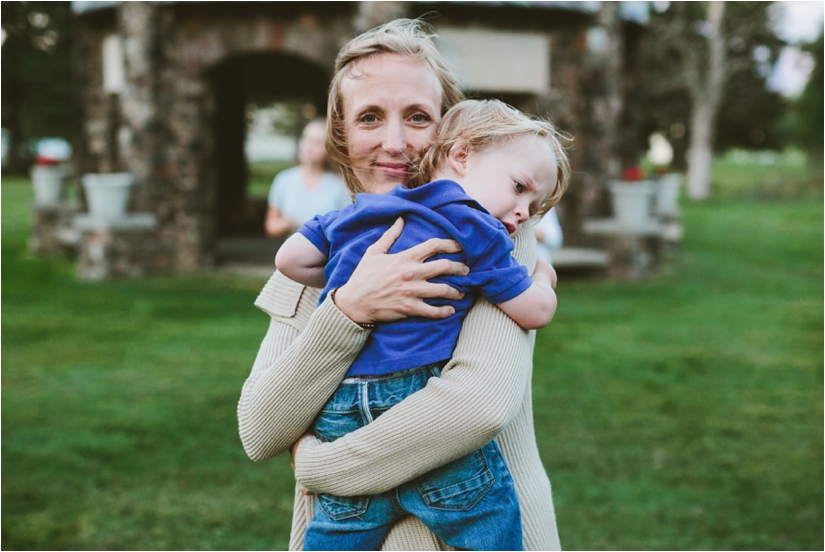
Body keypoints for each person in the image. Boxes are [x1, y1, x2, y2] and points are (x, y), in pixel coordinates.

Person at [237, 19, 565, 551]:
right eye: (370, 117)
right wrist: (348, 308)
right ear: (342, 134)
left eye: (417, 117)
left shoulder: (498, 231)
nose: (395, 143)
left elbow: (475, 406)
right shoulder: (330, 247)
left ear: (455, 134)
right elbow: (259, 428)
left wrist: (321, 467)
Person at [264, 118, 350, 238]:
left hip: (329, 254)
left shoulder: (340, 184)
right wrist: (286, 223)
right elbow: (270, 226)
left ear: (328, 148)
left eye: (317, 142)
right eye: (306, 138)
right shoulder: (284, 180)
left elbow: (349, 226)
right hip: (292, 254)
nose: (309, 146)